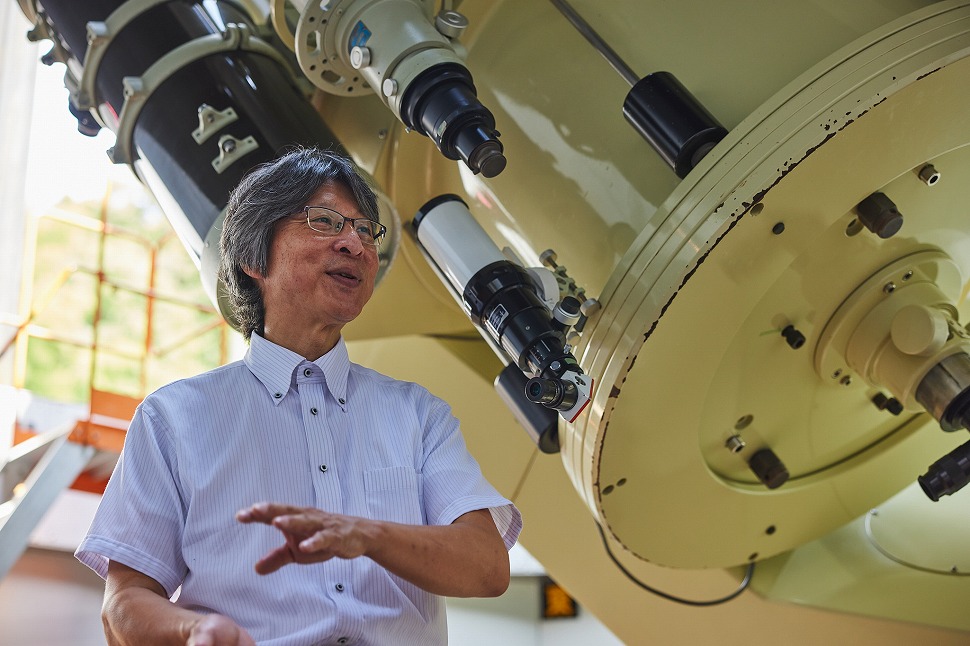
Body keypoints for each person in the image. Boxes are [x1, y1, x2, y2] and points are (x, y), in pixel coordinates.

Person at [76, 147, 522, 645]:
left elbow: (487, 567)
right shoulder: (172, 419)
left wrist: (367, 535)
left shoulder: (419, 415)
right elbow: (123, 605)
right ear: (252, 257)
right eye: (326, 221)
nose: (355, 243)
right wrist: (197, 629)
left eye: (366, 231)